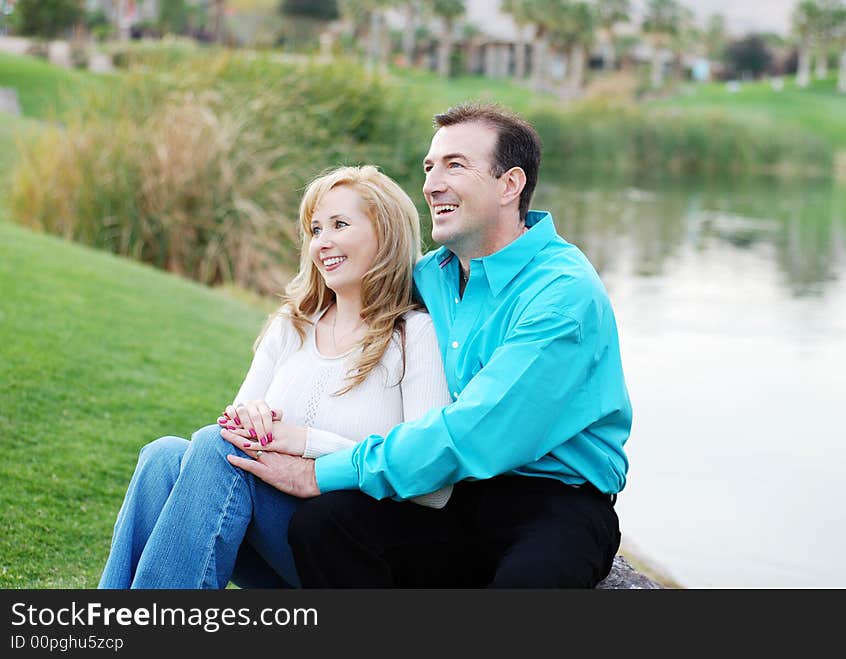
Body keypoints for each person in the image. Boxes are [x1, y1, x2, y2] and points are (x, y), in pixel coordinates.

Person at [227, 103, 633, 588]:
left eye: (454, 165)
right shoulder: (429, 276)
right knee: (325, 526)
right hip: (453, 495)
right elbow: (351, 308)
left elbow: (479, 430)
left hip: (553, 500)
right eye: (428, 166)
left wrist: (321, 469)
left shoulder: (562, 293)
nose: (431, 183)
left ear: (510, 185)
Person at [98, 165, 452, 589]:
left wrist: (306, 443)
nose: (323, 242)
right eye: (316, 229)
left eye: (340, 224)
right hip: (268, 531)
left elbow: (434, 488)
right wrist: (252, 420)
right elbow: (233, 431)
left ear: (386, 234)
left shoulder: (416, 336)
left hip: (344, 552)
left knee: (212, 446)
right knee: (163, 457)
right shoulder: (293, 324)